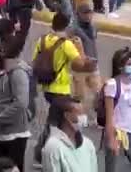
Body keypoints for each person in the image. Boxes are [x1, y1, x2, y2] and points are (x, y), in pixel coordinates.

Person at [32, 13, 97, 166]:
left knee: (54, 120)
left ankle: (42, 152)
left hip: (46, 86)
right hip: (61, 89)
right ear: (67, 26)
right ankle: (43, 154)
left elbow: (35, 61)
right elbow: (80, 64)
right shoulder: (66, 44)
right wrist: (80, 48)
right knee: (57, 122)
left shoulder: (42, 40)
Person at [0, 35, 31, 172]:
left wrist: (0, 117)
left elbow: (21, 103)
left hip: (12, 135)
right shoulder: (0, 69)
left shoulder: (18, 73)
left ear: (4, 50)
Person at [103, 48, 131, 172]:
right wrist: (112, 139)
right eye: (129, 64)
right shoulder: (112, 85)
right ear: (120, 67)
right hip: (118, 135)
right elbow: (109, 115)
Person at [41, 97, 98, 172]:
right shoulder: (53, 147)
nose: (84, 117)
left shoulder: (88, 144)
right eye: (79, 113)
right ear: (67, 116)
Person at [67, 4, 100, 121]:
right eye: (85, 13)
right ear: (79, 14)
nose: (88, 16)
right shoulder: (73, 29)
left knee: (98, 93)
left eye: (90, 13)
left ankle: (98, 117)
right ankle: (79, 117)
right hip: (79, 68)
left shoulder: (92, 27)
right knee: (79, 96)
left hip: (93, 66)